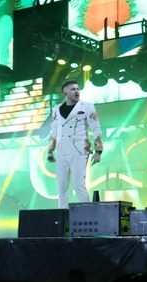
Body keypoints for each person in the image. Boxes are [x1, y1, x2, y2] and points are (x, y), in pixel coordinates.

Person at [40, 80, 104, 209]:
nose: (77, 91)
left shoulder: (87, 107)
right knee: (61, 186)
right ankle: (63, 214)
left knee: (78, 184)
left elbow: (96, 129)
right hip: (62, 151)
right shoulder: (57, 109)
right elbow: (54, 132)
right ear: (65, 92)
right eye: (73, 89)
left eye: (78, 89)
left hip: (79, 150)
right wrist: (50, 151)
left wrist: (98, 151)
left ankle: (86, 214)